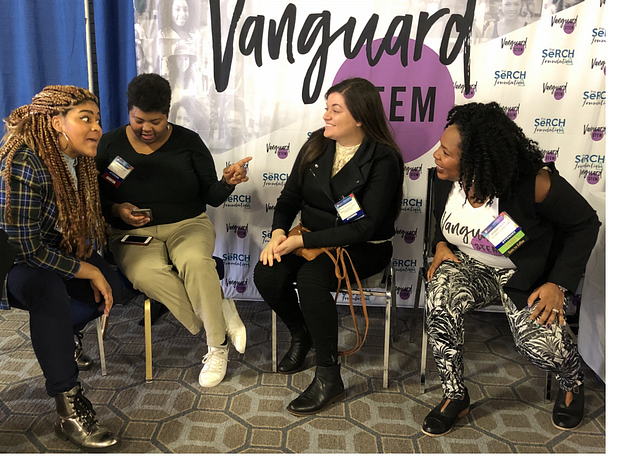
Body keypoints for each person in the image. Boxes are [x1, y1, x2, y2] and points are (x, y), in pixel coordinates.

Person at [423, 102, 600, 436]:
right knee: (440, 302)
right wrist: (440, 245)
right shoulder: (446, 177)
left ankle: (572, 380)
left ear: (475, 160)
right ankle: (455, 394)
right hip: (468, 265)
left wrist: (558, 283)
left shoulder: (533, 183)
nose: (436, 155)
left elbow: (585, 224)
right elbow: (441, 220)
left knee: (542, 347)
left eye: (445, 152)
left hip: (520, 273)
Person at [253, 77, 404, 415]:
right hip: (307, 237)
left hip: (362, 246)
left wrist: (300, 241)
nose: (326, 117)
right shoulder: (316, 144)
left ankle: (328, 376)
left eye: (335, 110)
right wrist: (279, 233)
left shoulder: (384, 159)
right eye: (326, 108)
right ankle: (301, 334)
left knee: (310, 280)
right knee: (267, 274)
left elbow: (365, 227)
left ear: (360, 117)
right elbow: (289, 197)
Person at [0, 85, 125, 451]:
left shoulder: (77, 158)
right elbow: (24, 248)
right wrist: (88, 271)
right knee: (50, 293)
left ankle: (67, 335)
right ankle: (69, 407)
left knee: (118, 289)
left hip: (56, 252)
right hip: (12, 263)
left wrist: (94, 266)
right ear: (55, 122)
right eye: (85, 119)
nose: (96, 127)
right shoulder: (21, 162)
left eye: (97, 119)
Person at [95, 74, 251, 388]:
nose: (147, 129)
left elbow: (212, 196)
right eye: (139, 120)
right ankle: (219, 315)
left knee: (196, 263)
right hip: (132, 233)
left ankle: (216, 348)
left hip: (187, 224)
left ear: (168, 114)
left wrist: (228, 183)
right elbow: (96, 196)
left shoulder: (188, 142)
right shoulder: (111, 143)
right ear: (129, 112)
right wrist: (117, 209)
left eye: (156, 121)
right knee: (147, 274)